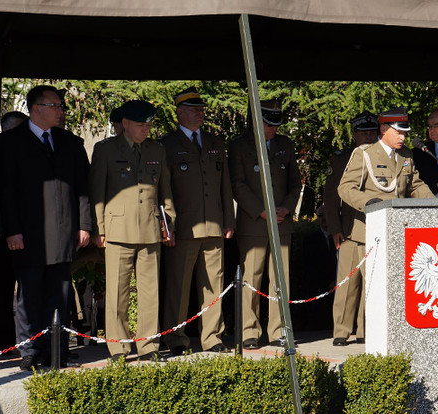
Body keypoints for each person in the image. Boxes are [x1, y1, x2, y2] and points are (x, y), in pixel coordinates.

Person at [0, 86, 91, 370]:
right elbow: (5, 192)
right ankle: (30, 350)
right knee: (30, 295)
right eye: (55, 105)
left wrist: (84, 225)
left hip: (64, 234)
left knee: (60, 295)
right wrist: (11, 230)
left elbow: (82, 190)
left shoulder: (70, 143)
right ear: (36, 108)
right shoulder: (10, 143)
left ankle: (58, 349)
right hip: (27, 236)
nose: (61, 110)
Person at [89, 100, 175, 361]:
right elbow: (97, 193)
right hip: (117, 230)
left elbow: (165, 192)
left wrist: (168, 225)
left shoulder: (156, 150)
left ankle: (149, 346)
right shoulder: (105, 150)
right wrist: (99, 229)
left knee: (151, 293)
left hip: (150, 229)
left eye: (149, 124)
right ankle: (119, 347)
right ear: (124, 124)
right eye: (140, 124)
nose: (145, 129)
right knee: (118, 293)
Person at [338, 107, 434, 338]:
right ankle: (348, 333)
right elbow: (345, 187)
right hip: (367, 230)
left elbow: (415, 185)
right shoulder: (365, 154)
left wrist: (434, 204)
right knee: (360, 288)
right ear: (383, 129)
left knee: (384, 288)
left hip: (396, 231)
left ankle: (371, 332)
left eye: (404, 133)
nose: (403, 137)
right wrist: (369, 202)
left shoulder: (406, 156)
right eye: (398, 132)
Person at [160, 87, 235, 355]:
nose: (199, 113)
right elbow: (164, 190)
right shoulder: (166, 145)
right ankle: (176, 338)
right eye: (193, 109)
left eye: (201, 109)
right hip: (184, 228)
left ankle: (213, 337)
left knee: (214, 284)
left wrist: (229, 220)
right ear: (179, 113)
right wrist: (168, 226)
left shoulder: (215, 142)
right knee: (178, 287)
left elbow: (224, 185)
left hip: (214, 224)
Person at [228, 99, 301, 350]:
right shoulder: (239, 146)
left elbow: (295, 183)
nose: (274, 130)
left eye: (276, 125)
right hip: (253, 223)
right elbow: (237, 184)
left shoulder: (285, 145)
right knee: (251, 278)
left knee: (281, 279)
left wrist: (286, 208)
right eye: (269, 124)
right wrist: (262, 211)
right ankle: (249, 331)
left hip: (281, 222)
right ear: (257, 122)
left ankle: (280, 330)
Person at [324, 111, 378, 346]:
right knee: (347, 283)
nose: (367, 136)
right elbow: (331, 196)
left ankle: (366, 330)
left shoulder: (384, 155)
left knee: (372, 283)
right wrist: (334, 227)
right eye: (363, 132)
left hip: (374, 227)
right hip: (347, 228)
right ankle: (341, 331)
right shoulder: (341, 158)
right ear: (354, 134)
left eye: (371, 131)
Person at [0, 111, 28, 353]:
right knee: (2, 289)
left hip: (25, 232)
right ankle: (5, 340)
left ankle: (21, 340)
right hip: (2, 233)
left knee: (28, 290)